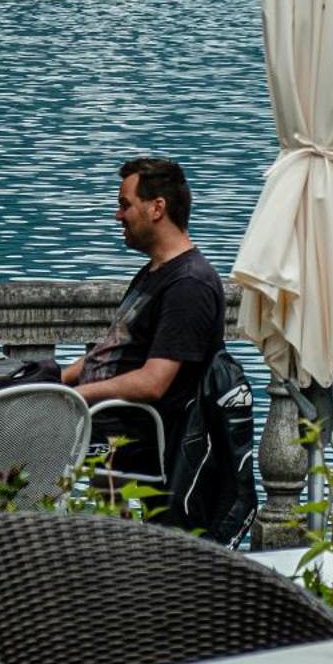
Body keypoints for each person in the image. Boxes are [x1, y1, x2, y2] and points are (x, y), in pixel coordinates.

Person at [62, 157, 226, 474]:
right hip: (100, 417)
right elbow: (116, 347)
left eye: (125, 205)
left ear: (157, 208)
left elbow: (153, 382)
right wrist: (60, 380)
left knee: (2, 440)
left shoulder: (189, 285)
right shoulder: (156, 273)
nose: (118, 215)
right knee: (2, 397)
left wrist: (77, 395)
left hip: (129, 434)